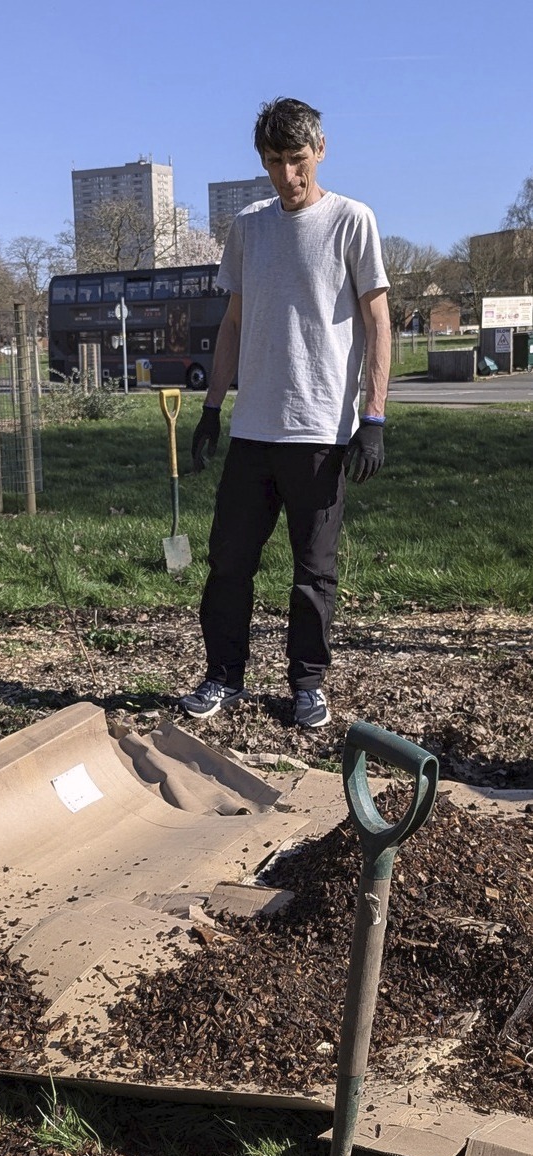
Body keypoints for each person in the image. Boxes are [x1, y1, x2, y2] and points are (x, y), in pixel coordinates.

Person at [178, 97, 389, 730]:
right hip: (253, 432)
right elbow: (235, 322)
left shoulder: (353, 222)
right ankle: (223, 676)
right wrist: (212, 408)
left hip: (322, 431)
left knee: (313, 571)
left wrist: (373, 417)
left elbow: (377, 320)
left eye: (297, 160)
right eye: (274, 162)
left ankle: (307, 684)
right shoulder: (249, 226)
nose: (287, 177)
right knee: (228, 564)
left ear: (319, 151)